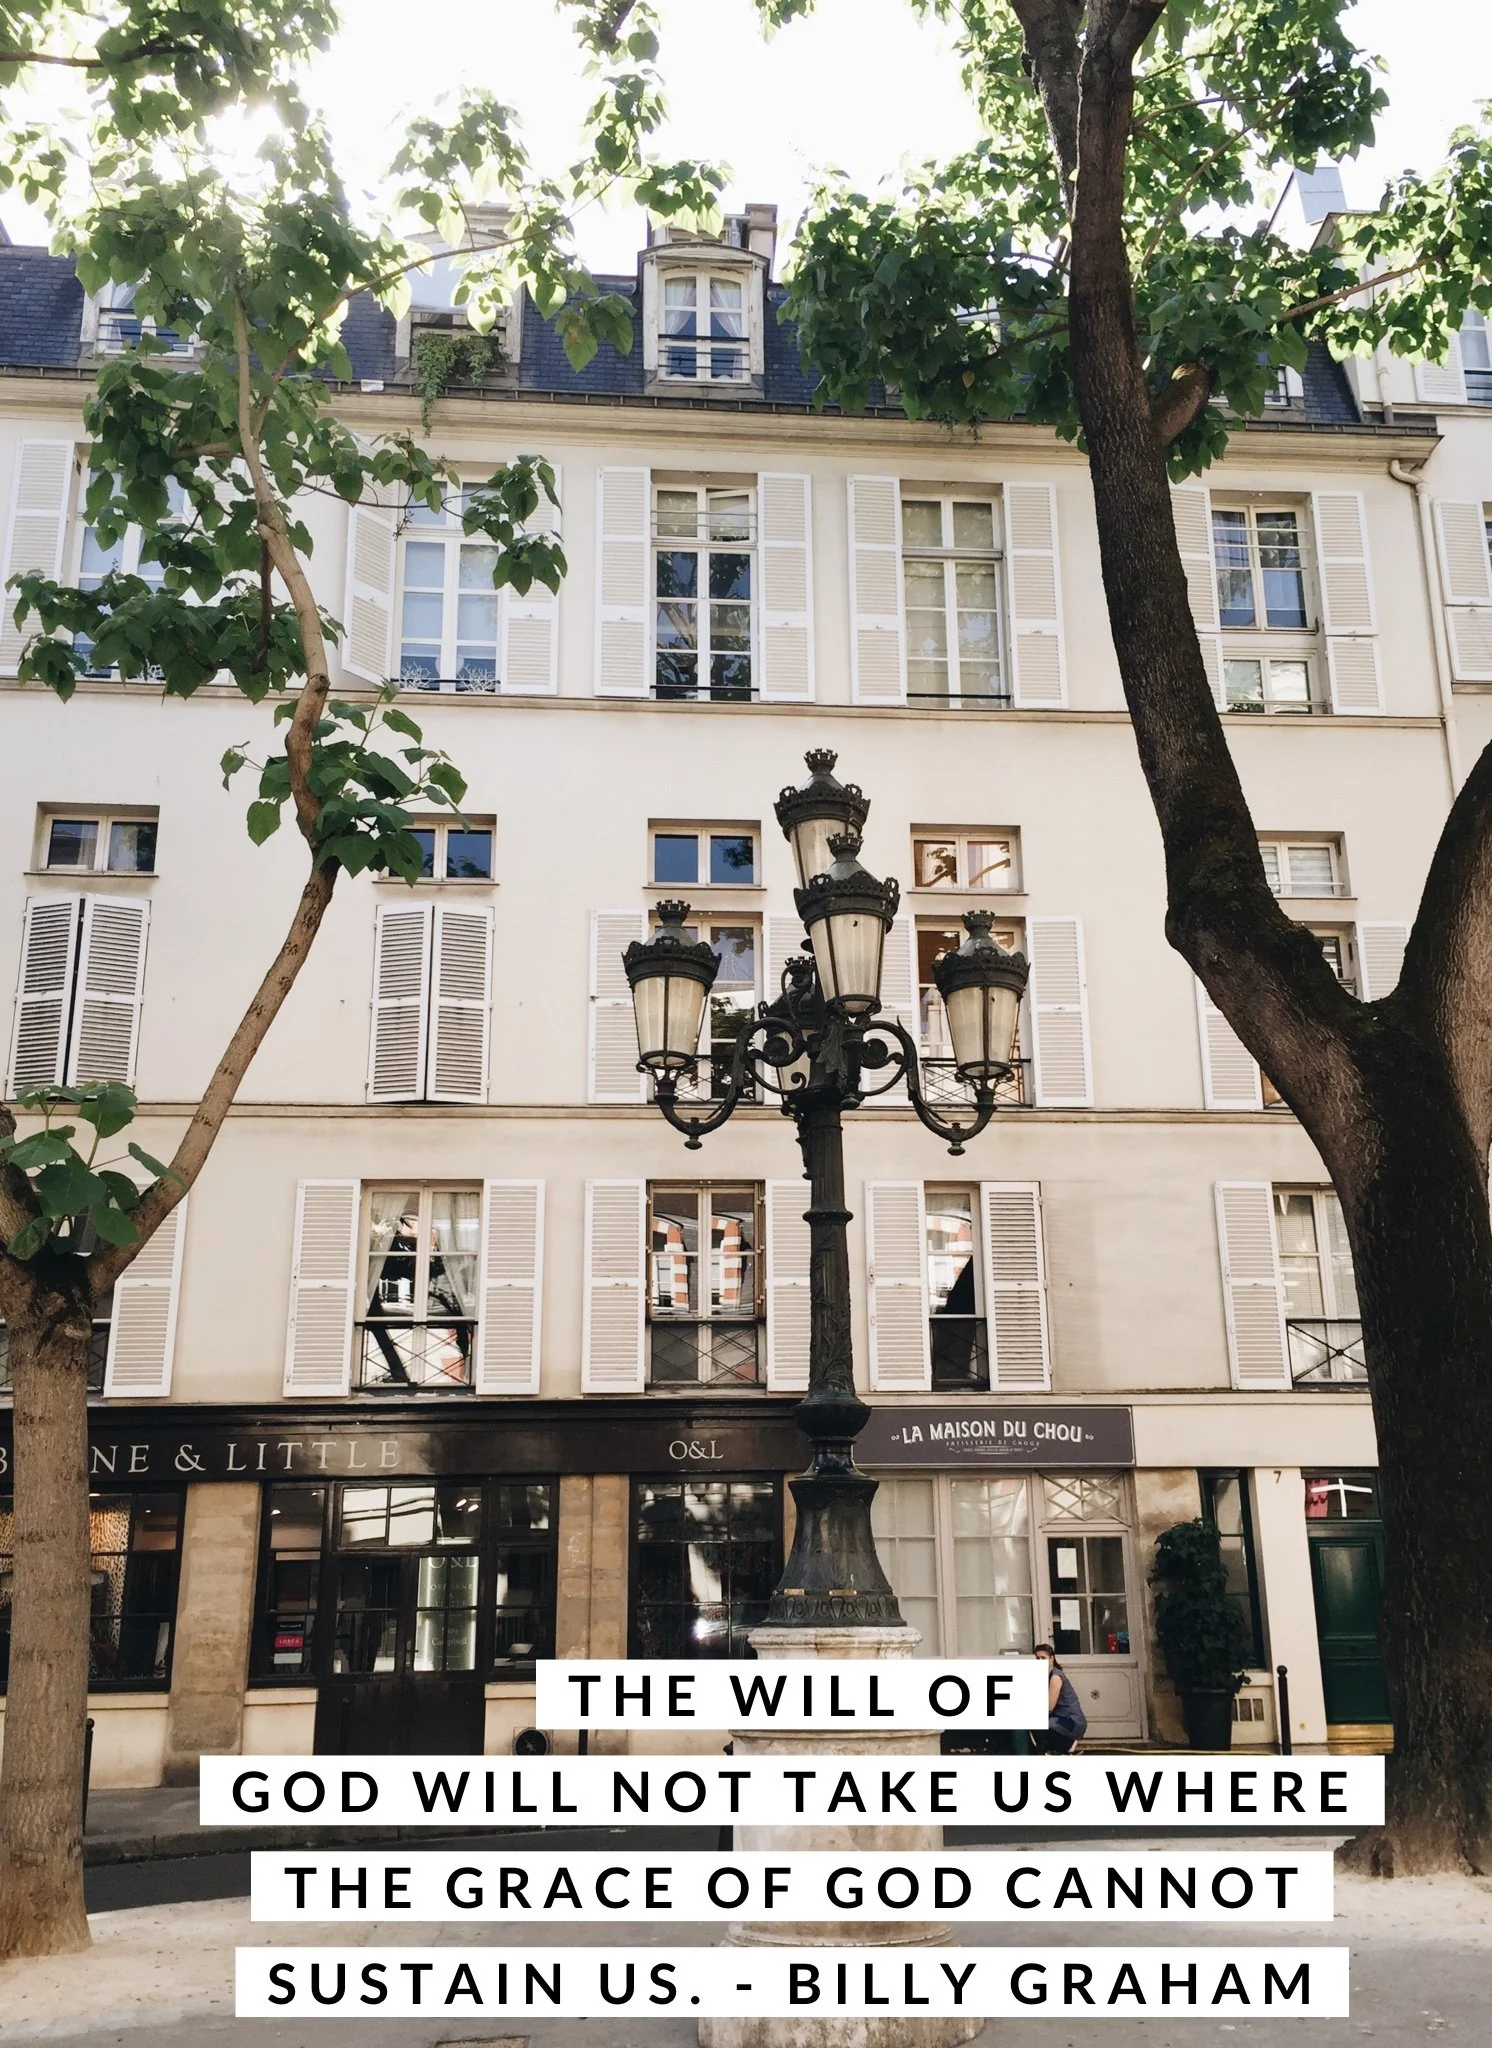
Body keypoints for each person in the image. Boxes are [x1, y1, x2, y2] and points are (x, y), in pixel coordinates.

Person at [1032, 1642, 1087, 1753]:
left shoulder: (1055, 1677)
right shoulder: (1044, 1675)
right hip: (1059, 1717)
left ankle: (1066, 1744)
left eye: (1043, 1658)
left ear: (1051, 1658)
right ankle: (1055, 1749)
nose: (1040, 1661)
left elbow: (1049, 1707)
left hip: (1070, 1721)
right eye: (1038, 1658)